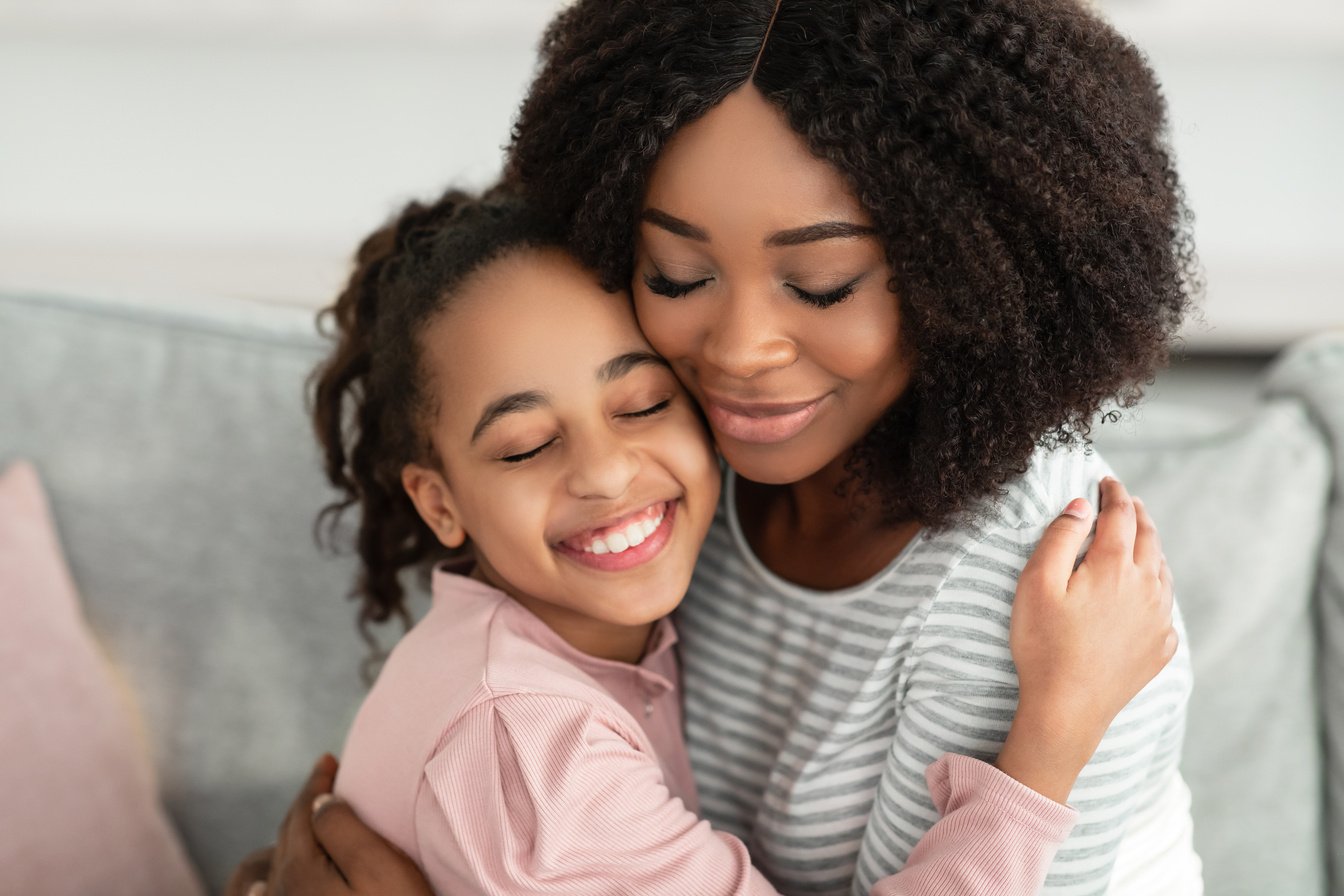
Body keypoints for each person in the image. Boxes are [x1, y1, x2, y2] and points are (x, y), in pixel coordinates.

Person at [231, 0, 1201, 892]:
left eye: (820, 284)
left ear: (960, 267)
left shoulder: (1051, 602)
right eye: (678, 271)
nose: (736, 352)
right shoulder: (681, 487)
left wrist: (1052, 741)